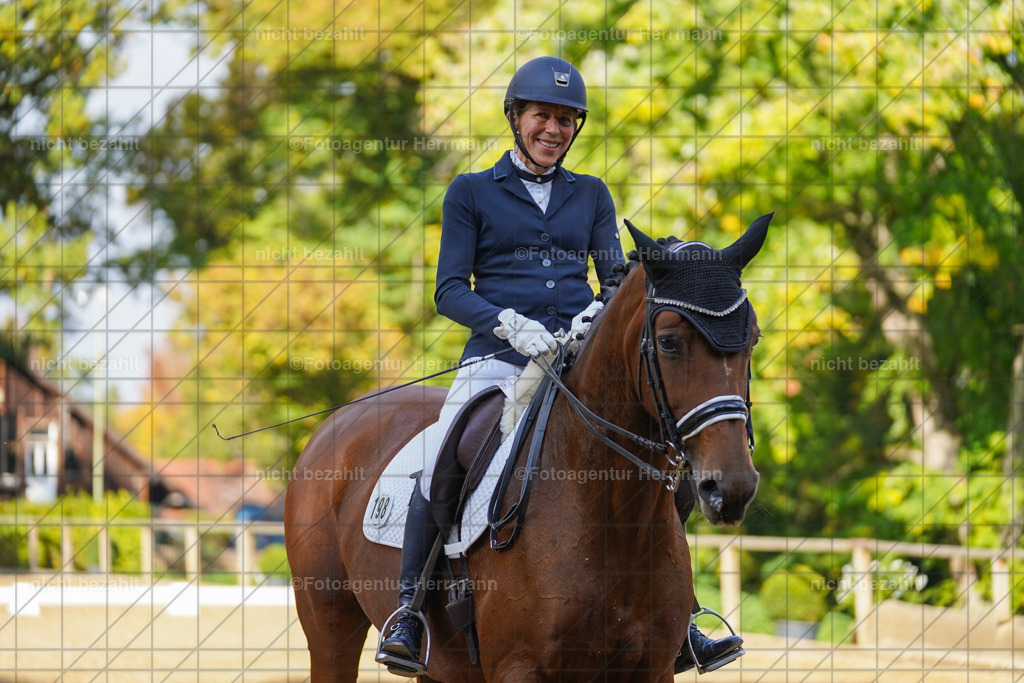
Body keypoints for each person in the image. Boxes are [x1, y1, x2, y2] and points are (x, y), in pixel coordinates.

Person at [376, 55, 742, 677]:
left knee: (665, 463)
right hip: (496, 357)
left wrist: (590, 319)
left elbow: (614, 281)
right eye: (543, 116)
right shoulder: (470, 192)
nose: (555, 130)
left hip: (574, 360)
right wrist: (508, 324)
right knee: (448, 451)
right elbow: (448, 289)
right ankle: (409, 610)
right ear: (516, 118)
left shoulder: (592, 193)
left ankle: (681, 619)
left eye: (567, 121)